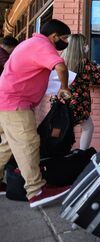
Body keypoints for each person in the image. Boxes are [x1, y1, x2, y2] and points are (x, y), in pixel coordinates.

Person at [0, 20, 73, 207]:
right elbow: (61, 66)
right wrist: (64, 87)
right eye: (64, 38)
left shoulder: (28, 43)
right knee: (28, 144)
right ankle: (36, 191)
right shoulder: (43, 44)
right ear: (54, 36)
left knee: (7, 144)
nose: (65, 42)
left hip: (6, 100)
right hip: (16, 102)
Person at [50, 34, 100, 150]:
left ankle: (55, 150)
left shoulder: (61, 60)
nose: (87, 46)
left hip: (60, 99)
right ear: (79, 46)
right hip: (78, 101)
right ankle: (81, 153)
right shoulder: (83, 62)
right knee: (87, 127)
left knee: (60, 127)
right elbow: (99, 78)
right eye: (85, 43)